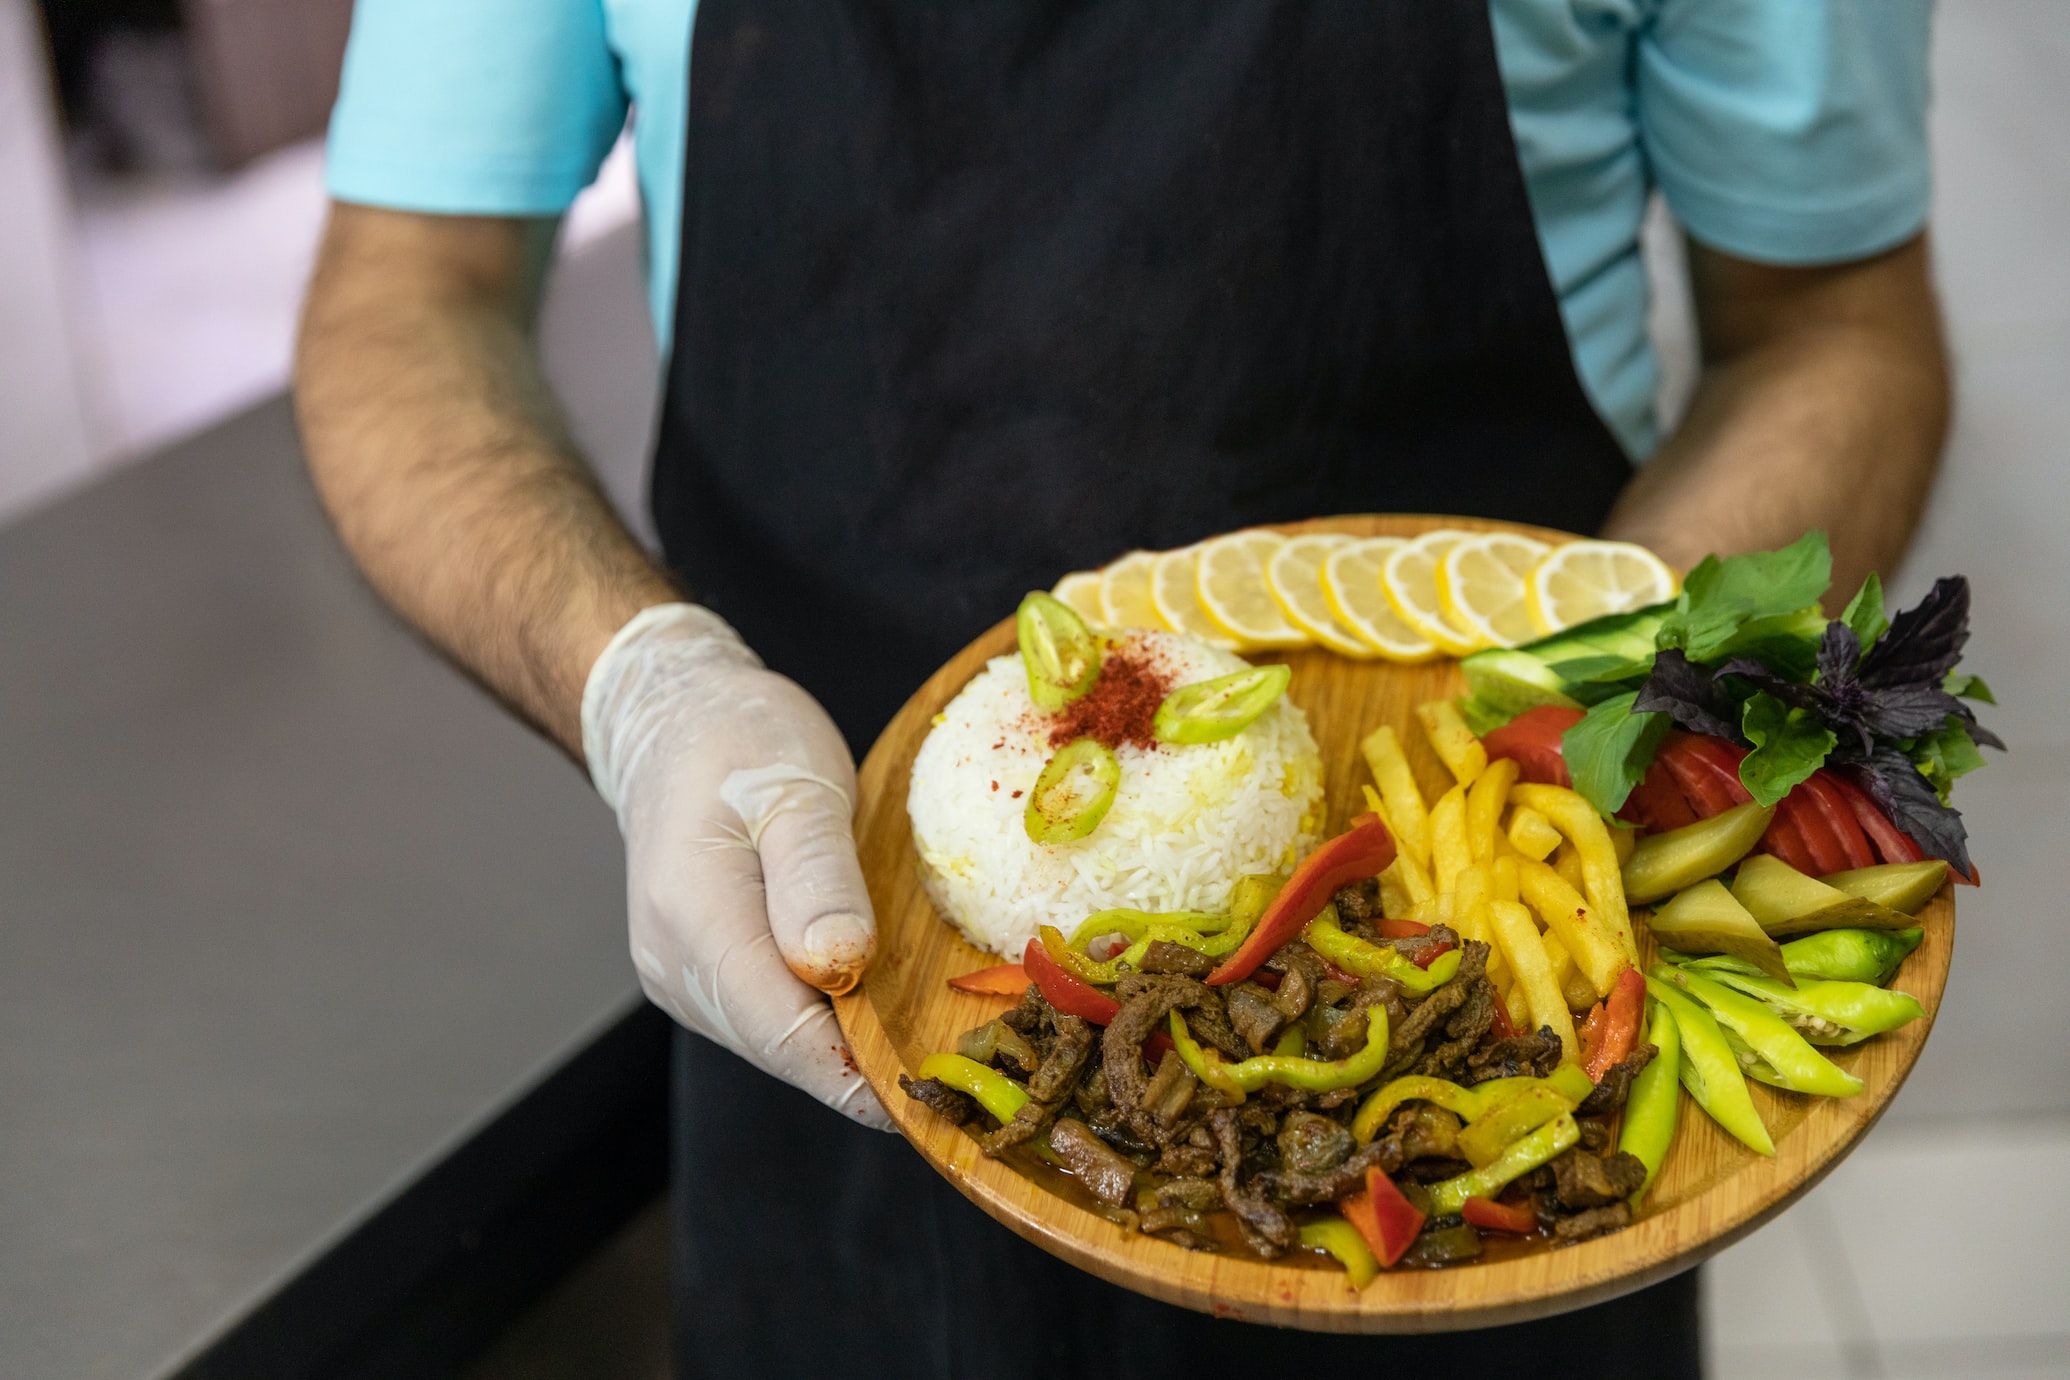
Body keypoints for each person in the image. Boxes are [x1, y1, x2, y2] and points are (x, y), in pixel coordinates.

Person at [296, 2, 1948, 1375]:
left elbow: (1833, 323)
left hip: (1473, 994)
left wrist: (1625, 705)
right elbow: (404, 293)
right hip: (840, 939)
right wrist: (643, 690)